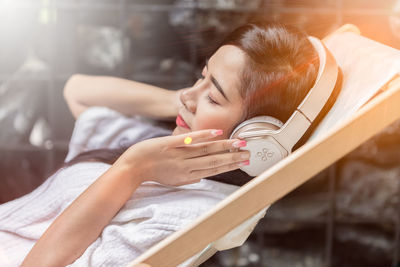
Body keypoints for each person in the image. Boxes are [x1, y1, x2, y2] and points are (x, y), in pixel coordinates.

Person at [0, 22, 322, 266]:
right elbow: (77, 91)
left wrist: (131, 170)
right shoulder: (163, 155)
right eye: (202, 76)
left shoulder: (183, 217)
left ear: (257, 137)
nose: (189, 94)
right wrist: (178, 102)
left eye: (213, 95)